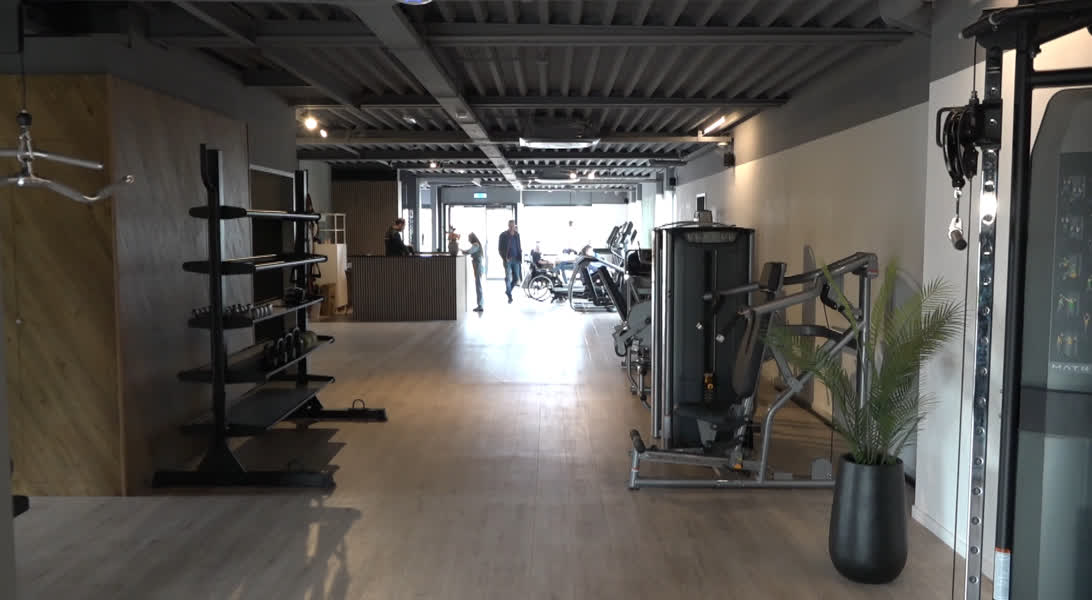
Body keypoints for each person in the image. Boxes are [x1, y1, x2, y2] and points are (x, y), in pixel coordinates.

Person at [497, 220, 522, 303]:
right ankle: (509, 296)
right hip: (507, 259)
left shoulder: (517, 235)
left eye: (513, 226)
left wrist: (520, 255)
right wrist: (504, 258)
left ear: (514, 226)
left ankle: (508, 291)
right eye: (510, 226)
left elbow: (518, 246)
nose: (512, 227)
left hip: (516, 259)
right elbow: (499, 249)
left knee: (516, 278)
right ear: (508, 226)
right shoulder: (503, 235)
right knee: (508, 277)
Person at [464, 233, 484, 312]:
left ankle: (480, 305)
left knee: (478, 285)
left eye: (469, 238)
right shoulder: (476, 244)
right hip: (478, 265)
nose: (468, 240)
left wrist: (463, 251)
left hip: (478, 266)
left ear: (472, 238)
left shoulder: (476, 244)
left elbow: (470, 251)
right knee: (478, 285)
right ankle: (480, 304)